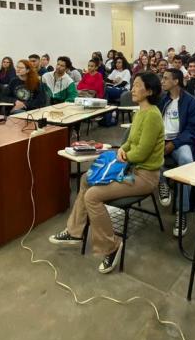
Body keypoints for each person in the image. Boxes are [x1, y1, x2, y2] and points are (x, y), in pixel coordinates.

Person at [49, 73, 164, 274]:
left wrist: (124, 155)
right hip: (130, 168)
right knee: (86, 179)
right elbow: (130, 141)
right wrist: (122, 149)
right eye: (134, 85)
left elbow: (143, 151)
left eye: (137, 86)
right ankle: (75, 231)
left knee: (93, 196)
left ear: (150, 91)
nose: (133, 89)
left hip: (144, 177)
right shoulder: (140, 112)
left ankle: (111, 246)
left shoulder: (153, 115)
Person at [157, 69, 195, 236]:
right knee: (153, 157)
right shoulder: (161, 100)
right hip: (160, 140)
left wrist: (174, 143)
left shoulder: (191, 102)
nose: (162, 81)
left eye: (166, 78)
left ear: (176, 81)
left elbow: (193, 130)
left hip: (180, 141)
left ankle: (182, 211)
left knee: (187, 161)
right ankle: (162, 183)